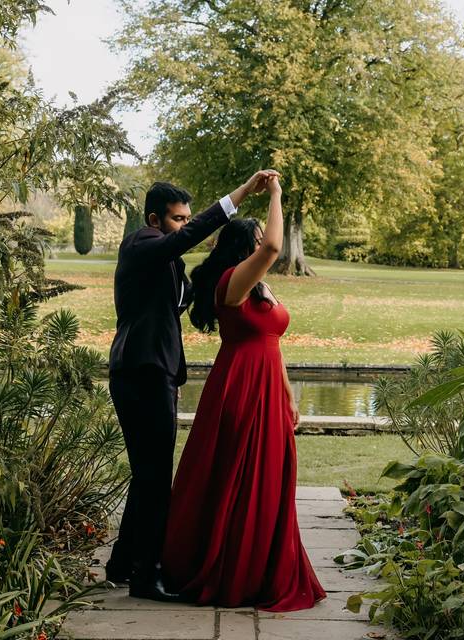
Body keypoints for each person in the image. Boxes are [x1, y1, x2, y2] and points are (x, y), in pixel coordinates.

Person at [106, 170, 279, 602]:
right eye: (179, 219)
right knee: (155, 476)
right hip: (140, 372)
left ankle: (122, 564)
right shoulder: (141, 244)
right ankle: (148, 577)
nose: (185, 226)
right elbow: (187, 238)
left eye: (187, 217)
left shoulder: (170, 264)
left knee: (147, 475)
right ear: (154, 219)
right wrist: (238, 195)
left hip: (155, 372)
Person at [160, 175, 326, 611]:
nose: (263, 243)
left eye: (261, 237)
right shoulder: (232, 281)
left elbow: (274, 341)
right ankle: (230, 567)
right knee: (238, 473)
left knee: (270, 474)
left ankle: (260, 564)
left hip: (269, 385)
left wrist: (289, 393)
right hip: (241, 386)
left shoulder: (260, 286)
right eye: (256, 237)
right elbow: (274, 248)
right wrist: (275, 194)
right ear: (242, 245)